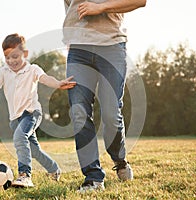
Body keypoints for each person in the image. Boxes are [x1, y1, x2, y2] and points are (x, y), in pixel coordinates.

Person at [63, 0, 146, 192]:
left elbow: (140, 1)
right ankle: (93, 177)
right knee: (79, 113)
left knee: (111, 112)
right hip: (78, 50)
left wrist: (101, 7)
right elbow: (71, 8)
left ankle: (120, 159)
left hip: (112, 46)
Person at [0, 33, 76, 187]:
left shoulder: (33, 69)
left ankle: (25, 175)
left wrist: (58, 84)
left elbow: (46, 78)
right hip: (14, 119)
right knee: (33, 150)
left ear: (25, 54)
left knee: (20, 138)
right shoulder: (3, 72)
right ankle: (54, 168)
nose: (11, 61)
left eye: (15, 56)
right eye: (7, 57)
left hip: (31, 113)